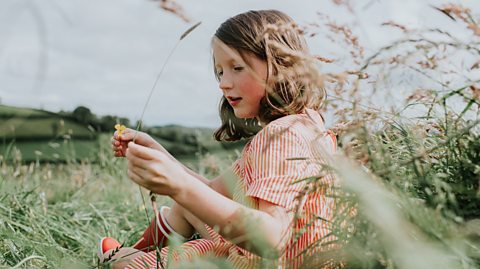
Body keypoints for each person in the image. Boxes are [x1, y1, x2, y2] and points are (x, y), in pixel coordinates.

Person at [100, 9, 340, 269]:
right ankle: (146, 246)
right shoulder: (307, 125)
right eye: (220, 71)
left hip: (259, 262)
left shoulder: (280, 137)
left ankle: (125, 256)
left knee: (123, 265)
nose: (223, 83)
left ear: (280, 66)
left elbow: (272, 239)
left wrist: (179, 186)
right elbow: (212, 191)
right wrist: (159, 154)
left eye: (236, 67)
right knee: (190, 204)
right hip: (270, 256)